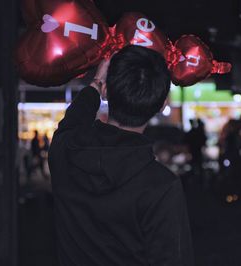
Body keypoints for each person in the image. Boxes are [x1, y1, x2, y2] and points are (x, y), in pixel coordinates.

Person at [49, 45, 194, 266]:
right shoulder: (161, 186)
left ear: (107, 92)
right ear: (161, 105)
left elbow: (73, 121)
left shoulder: (65, 152)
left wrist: (96, 83)